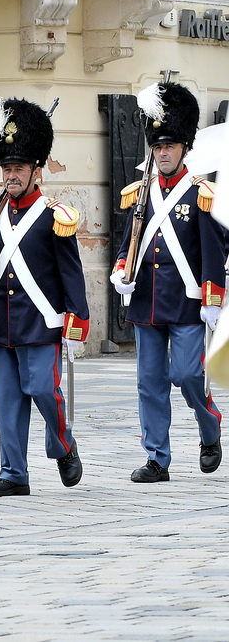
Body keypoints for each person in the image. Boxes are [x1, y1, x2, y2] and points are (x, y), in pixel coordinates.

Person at [0, 97, 87, 496]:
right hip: (4, 322)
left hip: (42, 321)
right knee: (8, 401)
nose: (11, 175)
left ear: (36, 170)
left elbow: (71, 274)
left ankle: (64, 444)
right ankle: (13, 473)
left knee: (43, 390)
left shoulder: (54, 216)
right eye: (6, 169)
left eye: (18, 169)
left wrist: (77, 322)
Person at [110, 81, 224, 483]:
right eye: (157, 146)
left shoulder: (201, 194)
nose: (162, 153)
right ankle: (157, 458)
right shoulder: (140, 193)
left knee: (188, 376)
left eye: (170, 146)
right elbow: (129, 242)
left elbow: (213, 251)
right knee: (149, 383)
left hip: (187, 301)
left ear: (184, 148)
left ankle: (210, 425)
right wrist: (121, 272)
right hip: (147, 301)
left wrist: (212, 298)